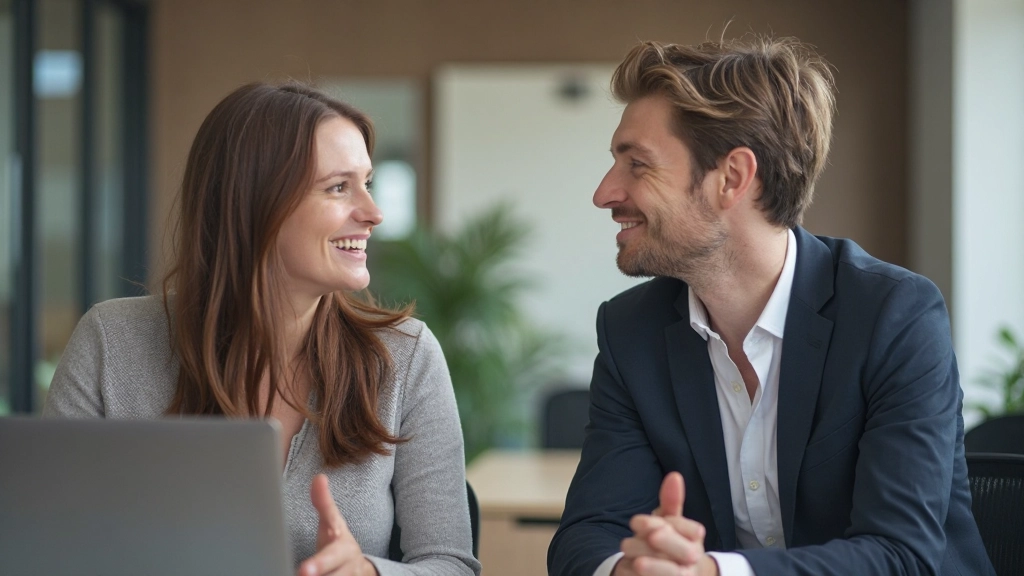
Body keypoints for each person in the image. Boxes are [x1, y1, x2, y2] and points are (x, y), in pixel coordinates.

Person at [547, 36, 994, 576]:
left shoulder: (893, 316)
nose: (604, 193)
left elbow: (901, 556)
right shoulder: (631, 331)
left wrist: (713, 572)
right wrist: (634, 567)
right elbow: (588, 534)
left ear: (732, 178)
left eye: (637, 164)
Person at [44, 82, 481, 576]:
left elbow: (451, 565)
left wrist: (368, 573)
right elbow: (41, 545)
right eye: (338, 187)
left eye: (368, 183)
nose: (373, 213)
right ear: (254, 203)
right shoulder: (111, 342)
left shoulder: (405, 357)